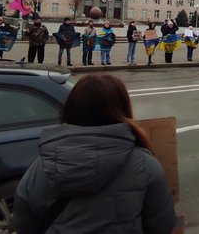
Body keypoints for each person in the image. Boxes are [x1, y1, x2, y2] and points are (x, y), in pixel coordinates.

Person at [13, 74, 177, 233]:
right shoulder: (144, 163)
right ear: (123, 108)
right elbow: (162, 223)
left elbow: (24, 219)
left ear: (71, 108)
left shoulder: (45, 164)